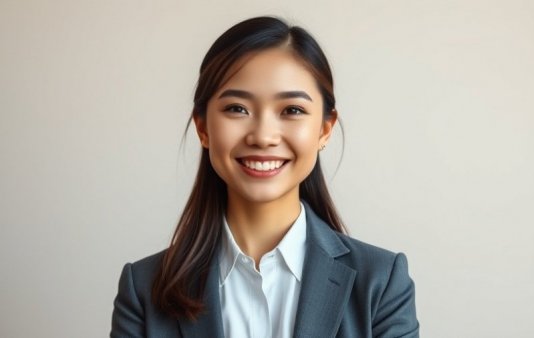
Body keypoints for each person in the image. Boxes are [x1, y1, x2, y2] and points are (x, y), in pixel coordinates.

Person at [110, 16, 419, 338]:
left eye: (292, 110)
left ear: (324, 130)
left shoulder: (381, 281)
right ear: (203, 127)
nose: (263, 136)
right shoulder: (144, 287)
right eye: (237, 109)